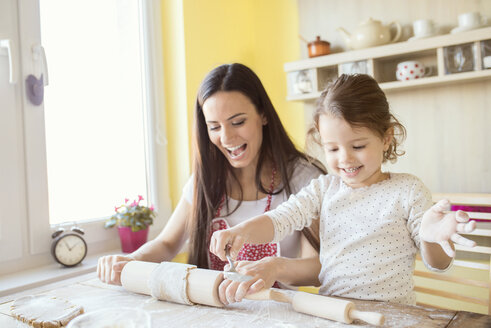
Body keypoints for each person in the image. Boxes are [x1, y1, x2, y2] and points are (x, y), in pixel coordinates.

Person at [210, 74, 477, 305]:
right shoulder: (324, 188)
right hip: (334, 313)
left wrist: (432, 238)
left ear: (386, 138)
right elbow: (280, 220)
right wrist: (240, 231)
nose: (345, 159)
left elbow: (438, 263)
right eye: (333, 149)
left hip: (392, 316)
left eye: (358, 146)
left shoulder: (407, 190)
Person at [97, 63, 326, 304]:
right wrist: (131, 260)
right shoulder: (206, 178)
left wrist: (275, 267)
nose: (226, 138)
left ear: (263, 114)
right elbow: (167, 243)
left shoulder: (304, 179)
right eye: (214, 127)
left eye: (238, 122)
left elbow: (316, 268)